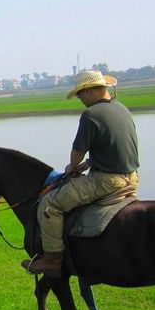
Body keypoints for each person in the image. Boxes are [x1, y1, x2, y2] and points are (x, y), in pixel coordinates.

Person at [22, 70, 140, 277]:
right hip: (131, 176)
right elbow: (114, 147)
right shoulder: (121, 108)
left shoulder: (91, 114)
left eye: (80, 94)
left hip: (106, 181)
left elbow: (77, 150)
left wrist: (74, 167)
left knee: (50, 205)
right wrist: (90, 163)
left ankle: (52, 260)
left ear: (91, 90)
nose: (80, 99)